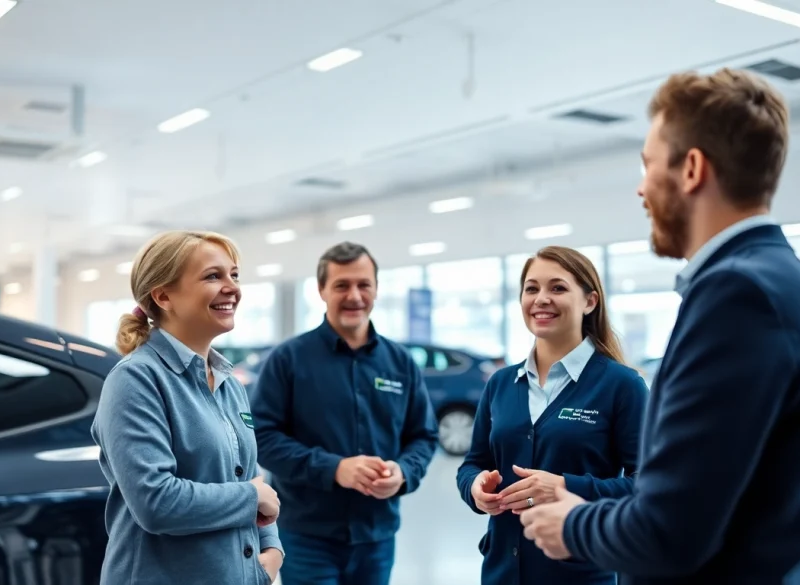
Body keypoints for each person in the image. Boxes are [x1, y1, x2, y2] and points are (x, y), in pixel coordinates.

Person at [520, 68, 800, 584]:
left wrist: (574, 523)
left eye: (648, 164)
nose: (640, 188)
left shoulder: (739, 296)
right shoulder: (784, 279)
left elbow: (670, 531)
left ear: (692, 168)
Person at [91, 230, 284, 585]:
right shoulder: (136, 381)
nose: (232, 287)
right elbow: (157, 502)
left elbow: (249, 477)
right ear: (163, 295)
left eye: (234, 275)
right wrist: (251, 497)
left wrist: (271, 552)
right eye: (213, 276)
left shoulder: (227, 382)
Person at [456, 245, 648, 585]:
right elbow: (473, 462)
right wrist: (475, 488)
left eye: (557, 288)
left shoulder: (622, 385)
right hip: (502, 572)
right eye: (532, 289)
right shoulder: (501, 383)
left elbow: (647, 486)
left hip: (581, 572)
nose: (541, 298)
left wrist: (564, 487)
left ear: (589, 301)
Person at [251, 241, 439, 585]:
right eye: (342, 285)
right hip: (307, 536)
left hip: (377, 536)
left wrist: (402, 472)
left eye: (363, 284)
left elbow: (423, 436)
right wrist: (334, 468)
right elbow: (262, 437)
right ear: (322, 289)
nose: (354, 295)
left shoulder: (400, 363)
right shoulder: (288, 360)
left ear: (376, 289)